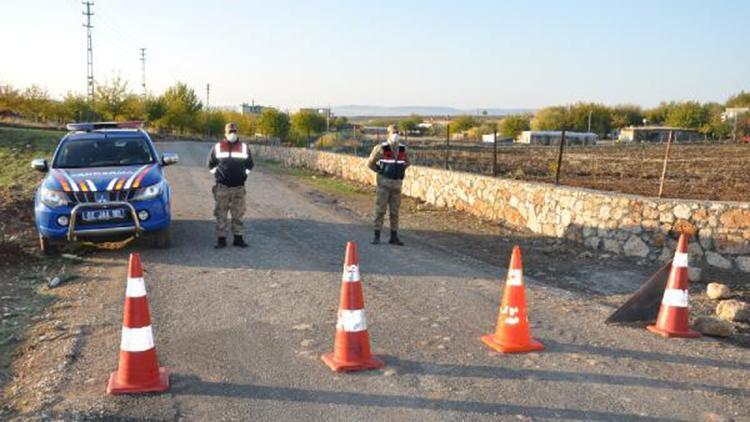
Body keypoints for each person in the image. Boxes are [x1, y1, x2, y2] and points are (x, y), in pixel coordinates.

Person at [207, 123, 254, 248]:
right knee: (221, 213)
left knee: (238, 214)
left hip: (239, 187)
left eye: (234, 131)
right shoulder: (218, 147)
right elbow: (210, 164)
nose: (232, 133)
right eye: (230, 131)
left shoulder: (243, 147)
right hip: (222, 187)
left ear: (237, 132)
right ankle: (221, 239)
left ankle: (238, 239)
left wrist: (244, 175)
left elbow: (250, 165)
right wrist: (217, 175)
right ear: (225, 133)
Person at [367, 124, 410, 246]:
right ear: (388, 134)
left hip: (396, 185)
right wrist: (381, 171)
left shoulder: (403, 149)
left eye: (397, 132)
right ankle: (377, 236)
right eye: (393, 132)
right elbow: (370, 163)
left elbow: (407, 162)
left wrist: (399, 170)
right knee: (380, 210)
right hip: (384, 185)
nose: (396, 135)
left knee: (395, 212)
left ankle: (394, 237)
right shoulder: (381, 148)